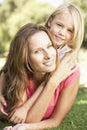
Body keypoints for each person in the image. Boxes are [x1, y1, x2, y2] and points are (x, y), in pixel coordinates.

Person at [0, 1, 84, 130]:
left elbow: (52, 119)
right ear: (50, 20)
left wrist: (53, 81)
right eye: (60, 25)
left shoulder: (67, 62)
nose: (62, 32)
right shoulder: (32, 39)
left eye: (70, 30)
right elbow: (9, 67)